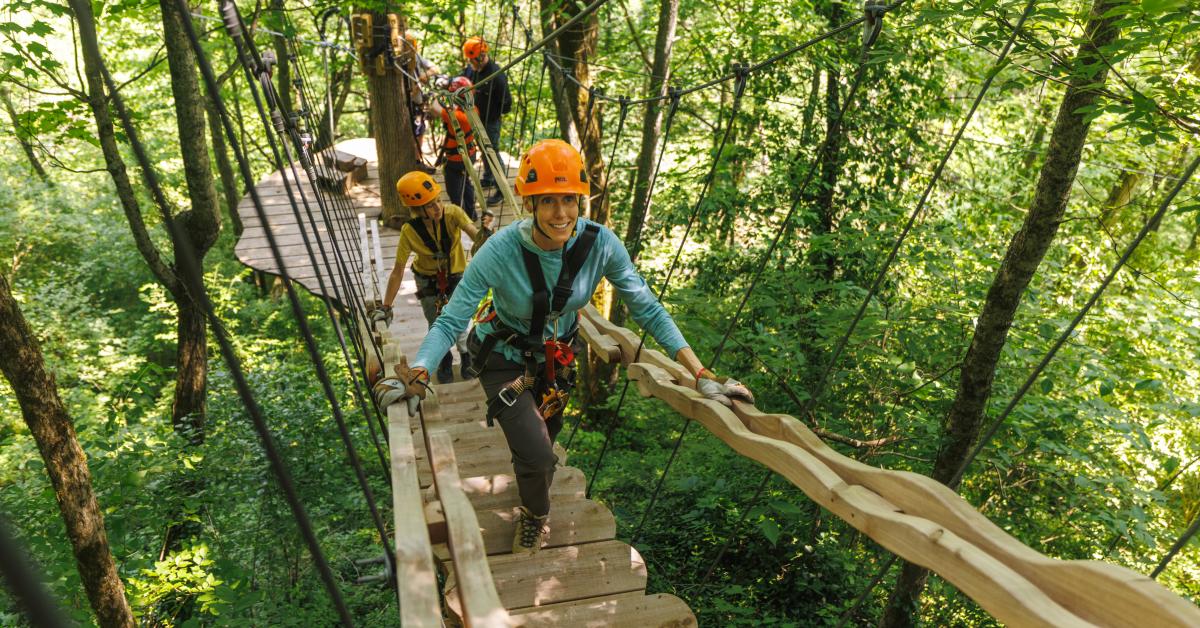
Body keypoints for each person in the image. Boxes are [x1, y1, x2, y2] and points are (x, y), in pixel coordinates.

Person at [397, 140, 753, 555]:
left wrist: (700, 373)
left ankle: (529, 480)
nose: (561, 213)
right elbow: (452, 318)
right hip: (502, 358)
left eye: (569, 200)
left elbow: (648, 309)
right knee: (540, 456)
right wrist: (422, 367)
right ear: (530, 203)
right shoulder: (499, 252)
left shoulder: (600, 244)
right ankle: (535, 517)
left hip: (557, 364)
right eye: (548, 201)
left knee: (543, 444)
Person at [383, 170, 484, 383]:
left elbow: (474, 235)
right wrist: (386, 305)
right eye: (430, 205)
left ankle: (466, 357)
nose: (437, 207)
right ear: (417, 210)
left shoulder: (453, 214)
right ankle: (444, 359)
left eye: (438, 200)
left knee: (459, 320)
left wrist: (486, 239)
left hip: (456, 274)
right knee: (434, 321)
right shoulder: (409, 231)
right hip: (427, 279)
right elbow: (398, 270)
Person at [461, 36, 512, 206]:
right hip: (477, 118)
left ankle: (502, 190)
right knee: (484, 149)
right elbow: (463, 78)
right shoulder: (474, 70)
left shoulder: (496, 75)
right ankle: (489, 178)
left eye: (472, 60)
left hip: (490, 121)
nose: (470, 64)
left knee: (492, 152)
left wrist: (493, 113)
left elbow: (507, 104)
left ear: (481, 57)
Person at [429, 76, 480, 220]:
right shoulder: (472, 109)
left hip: (457, 159)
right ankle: (472, 214)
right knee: (466, 182)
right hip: (469, 154)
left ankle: (461, 218)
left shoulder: (457, 116)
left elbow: (435, 108)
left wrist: (438, 94)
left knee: (454, 191)